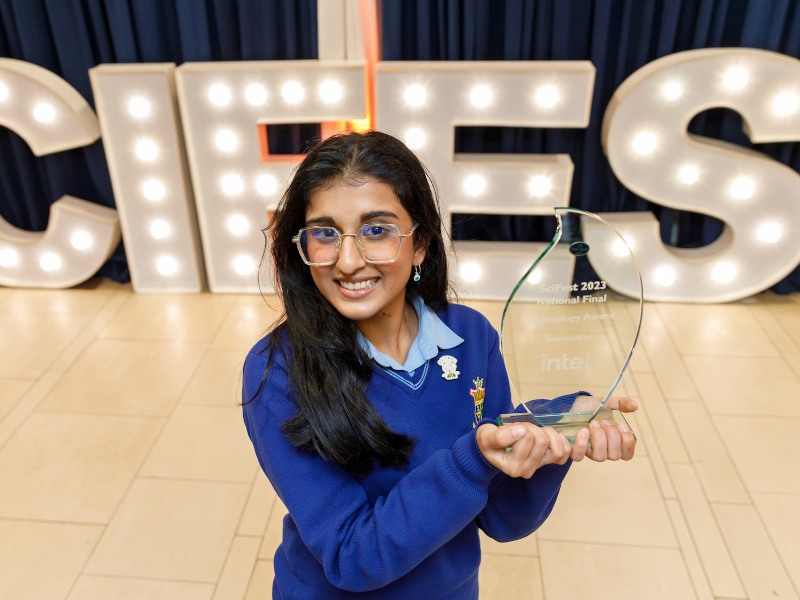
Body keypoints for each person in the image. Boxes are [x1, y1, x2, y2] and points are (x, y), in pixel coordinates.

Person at [242, 130, 637, 599]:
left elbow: (504, 518)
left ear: (422, 244)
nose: (348, 261)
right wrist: (473, 458)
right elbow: (352, 557)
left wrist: (555, 433)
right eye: (326, 233)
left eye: (377, 230)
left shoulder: (472, 337)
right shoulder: (277, 371)